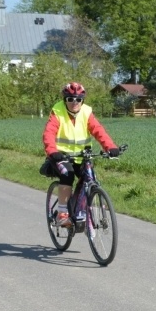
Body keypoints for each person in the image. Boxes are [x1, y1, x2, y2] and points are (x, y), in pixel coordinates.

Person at [42, 82, 119, 228]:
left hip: (83, 155)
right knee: (68, 175)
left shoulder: (86, 112)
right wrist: (52, 151)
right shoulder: (57, 112)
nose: (74, 102)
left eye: (78, 99)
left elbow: (98, 130)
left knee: (88, 177)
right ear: (65, 100)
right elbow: (49, 133)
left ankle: (79, 209)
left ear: (82, 100)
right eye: (70, 99)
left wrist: (110, 147)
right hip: (62, 156)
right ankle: (62, 214)